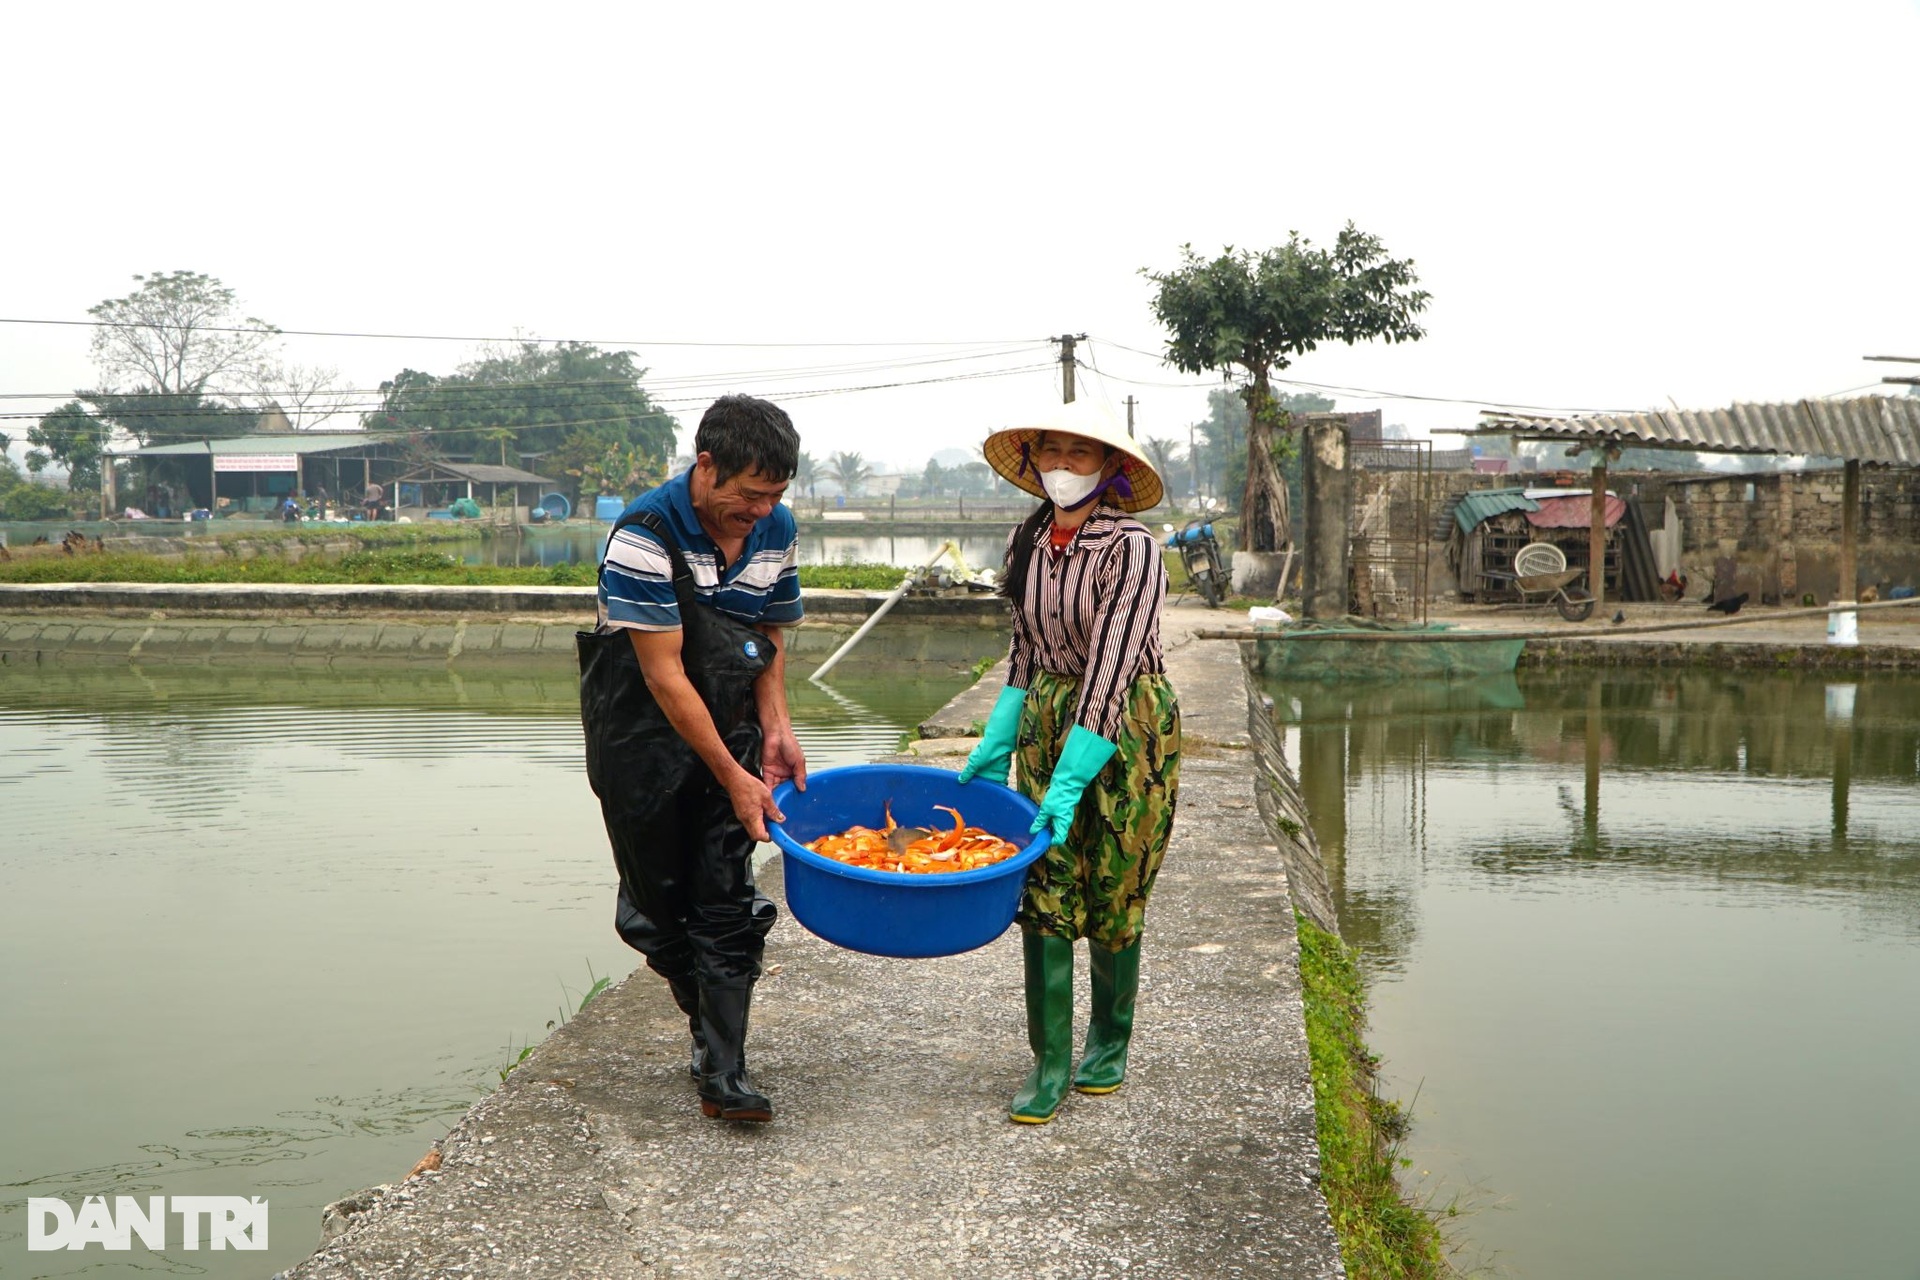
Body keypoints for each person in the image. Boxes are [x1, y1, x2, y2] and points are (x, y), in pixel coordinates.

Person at [578, 395, 806, 1124]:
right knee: (653, 912)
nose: (763, 510)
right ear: (706, 466)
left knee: (724, 898)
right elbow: (664, 674)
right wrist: (733, 776)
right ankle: (708, 1024)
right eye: (750, 494)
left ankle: (724, 1071)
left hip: (731, 720)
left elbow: (765, 633)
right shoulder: (644, 532)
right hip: (640, 734)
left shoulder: (775, 529)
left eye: (775, 495)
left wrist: (774, 729)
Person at [961, 399, 1181, 1125]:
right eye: (1051, 453)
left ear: (1111, 467)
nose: (1062, 466)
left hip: (1126, 730)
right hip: (1047, 718)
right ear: (1032, 463)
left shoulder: (1131, 548)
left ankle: (1108, 1043)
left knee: (1116, 881)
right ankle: (1050, 1059)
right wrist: (995, 747)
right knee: (1046, 886)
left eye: (1080, 455)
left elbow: (1114, 668)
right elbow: (1024, 653)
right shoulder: (1026, 540)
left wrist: (1070, 781)